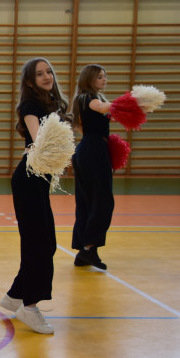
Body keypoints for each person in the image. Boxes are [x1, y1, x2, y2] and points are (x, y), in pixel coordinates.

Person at [0, 58, 70, 335]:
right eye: (39, 74)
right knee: (41, 244)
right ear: (29, 81)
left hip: (40, 181)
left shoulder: (54, 106)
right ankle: (29, 307)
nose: (46, 76)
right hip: (29, 180)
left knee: (42, 242)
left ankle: (15, 296)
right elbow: (38, 139)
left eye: (48, 71)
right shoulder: (30, 106)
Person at [70, 64, 114, 270]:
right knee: (102, 200)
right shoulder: (88, 98)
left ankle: (84, 252)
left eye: (105, 76)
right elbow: (103, 108)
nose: (104, 80)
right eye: (99, 77)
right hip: (93, 149)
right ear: (89, 79)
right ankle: (89, 248)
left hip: (90, 149)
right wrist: (129, 103)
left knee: (87, 201)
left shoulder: (86, 98)